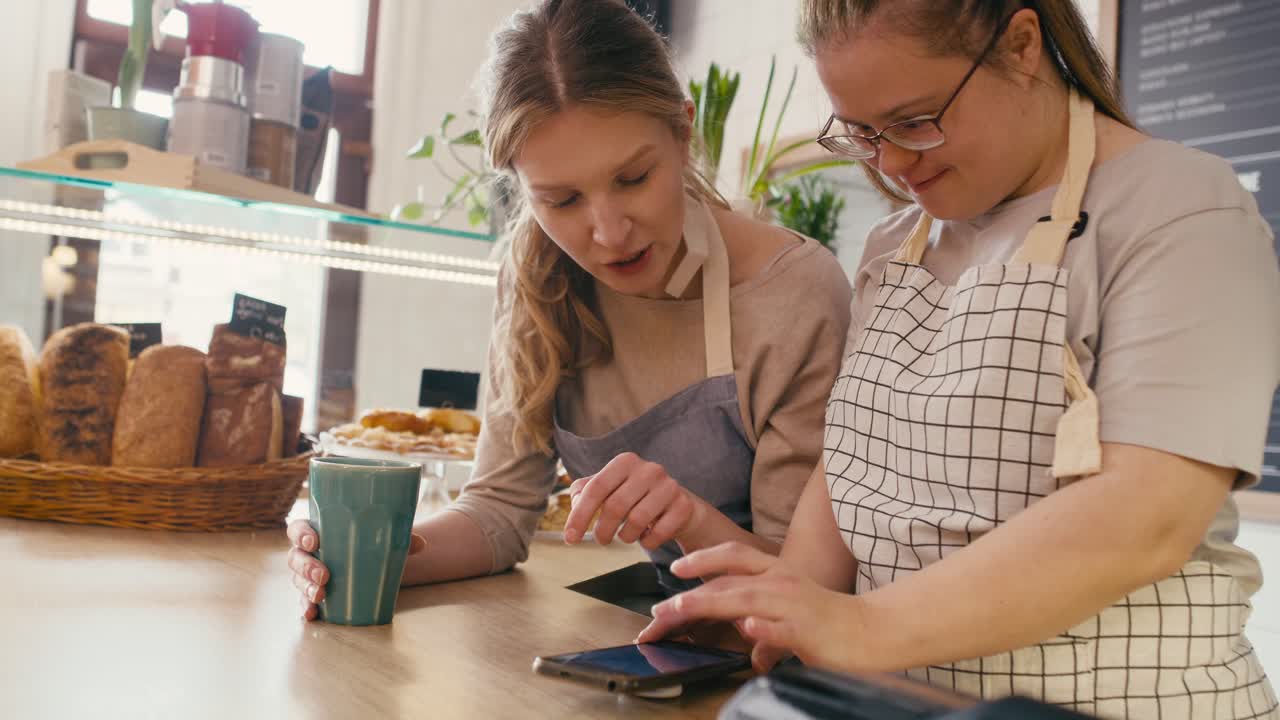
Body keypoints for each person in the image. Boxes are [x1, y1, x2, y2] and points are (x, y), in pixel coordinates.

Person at [638, 1, 1280, 718]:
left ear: (1022, 44)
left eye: (914, 122)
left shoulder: (1181, 208)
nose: (891, 162)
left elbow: (1147, 517)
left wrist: (857, 624)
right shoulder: (893, 246)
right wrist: (771, 610)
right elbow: (852, 460)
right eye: (863, 133)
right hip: (901, 704)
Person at [286, 0, 852, 612]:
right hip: (668, 637)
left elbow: (809, 592)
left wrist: (689, 517)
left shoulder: (791, 295)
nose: (609, 233)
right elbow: (498, 514)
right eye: (561, 200)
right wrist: (359, 554)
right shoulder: (535, 277)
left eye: (633, 178)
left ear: (683, 133)